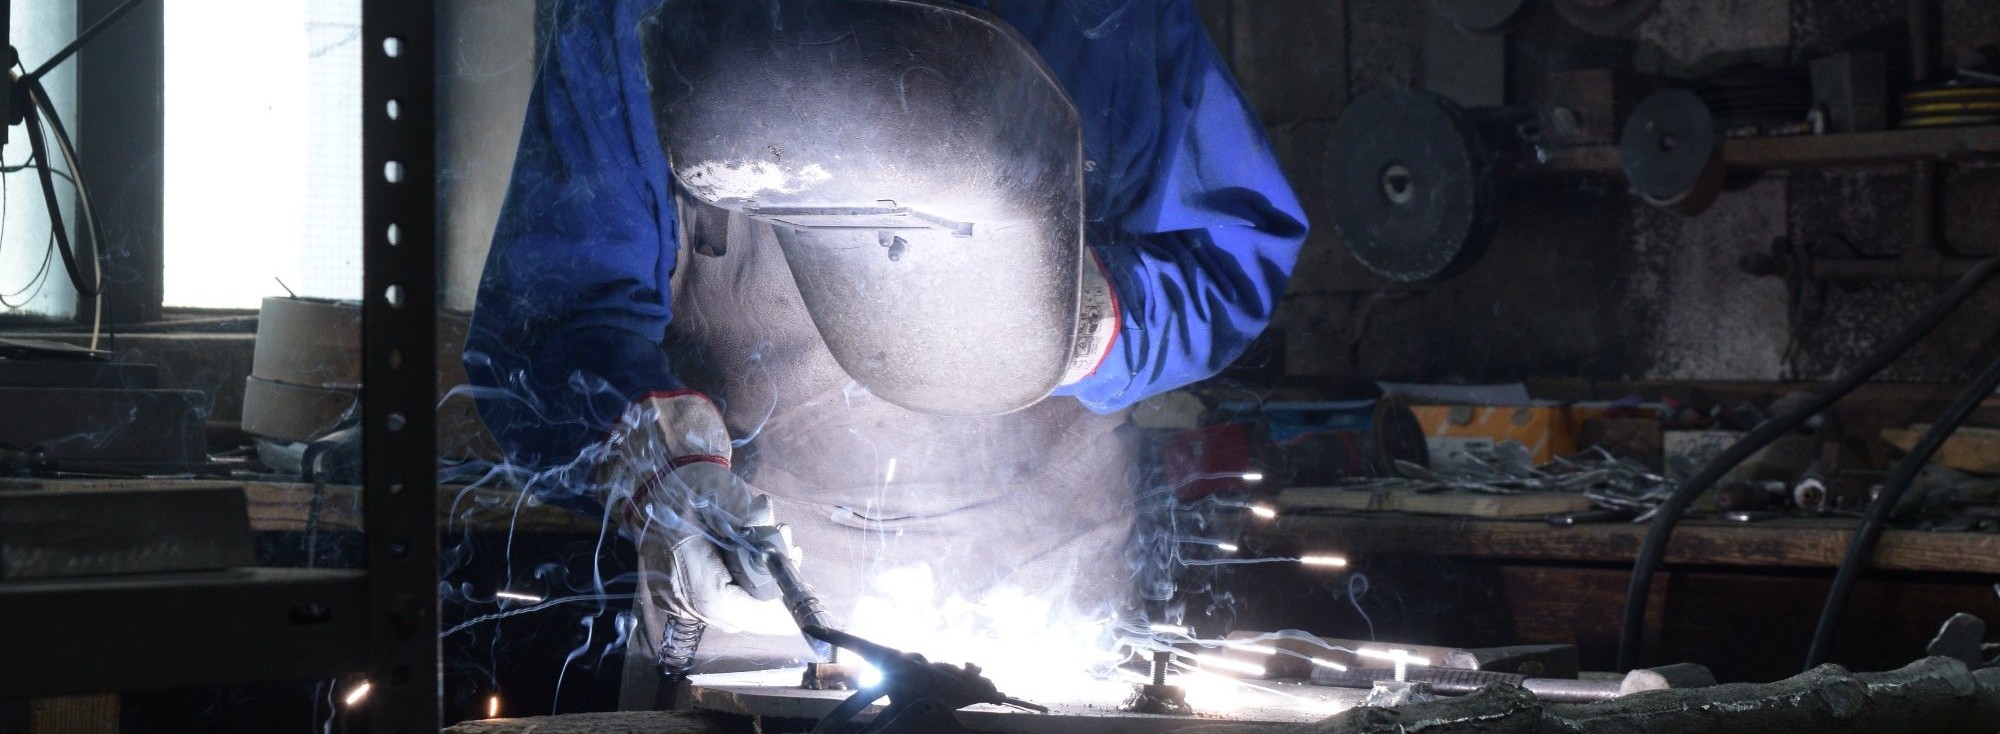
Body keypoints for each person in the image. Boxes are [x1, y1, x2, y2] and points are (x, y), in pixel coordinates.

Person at [465, 0, 1307, 705]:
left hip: (1052, 606)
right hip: (762, 614)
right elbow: (550, 322)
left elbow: (1232, 250)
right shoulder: (641, 14)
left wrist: (1088, 317)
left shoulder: (1104, 14)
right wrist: (666, 481)